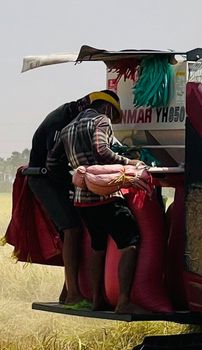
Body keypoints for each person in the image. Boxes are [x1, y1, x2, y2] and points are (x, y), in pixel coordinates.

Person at [46, 90, 149, 314]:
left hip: (83, 202)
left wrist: (76, 181)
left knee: (98, 247)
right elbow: (101, 150)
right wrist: (129, 162)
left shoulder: (68, 127)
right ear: (108, 108)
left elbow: (52, 163)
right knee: (130, 244)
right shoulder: (101, 120)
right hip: (107, 197)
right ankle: (124, 301)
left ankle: (97, 300)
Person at [27, 92, 94, 304]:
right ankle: (73, 293)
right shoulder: (59, 121)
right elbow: (53, 164)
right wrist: (76, 184)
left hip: (57, 177)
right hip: (44, 179)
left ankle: (67, 292)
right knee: (72, 229)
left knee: (75, 229)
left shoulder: (72, 115)